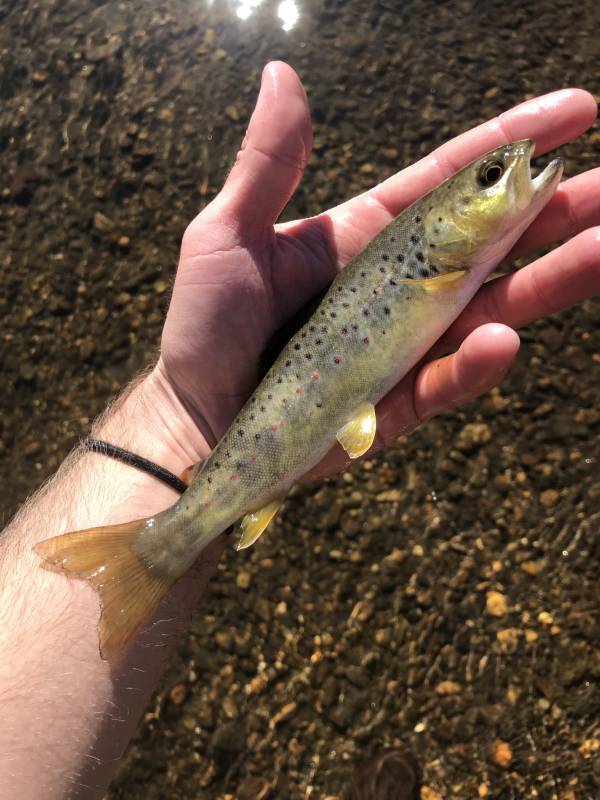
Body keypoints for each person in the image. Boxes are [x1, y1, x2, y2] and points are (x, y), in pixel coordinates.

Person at [0, 61, 598, 799]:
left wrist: (178, 416)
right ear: (439, 228)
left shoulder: (449, 259)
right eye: (486, 182)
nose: (507, 177)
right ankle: (161, 546)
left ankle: (169, 539)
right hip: (286, 420)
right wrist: (183, 414)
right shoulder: (440, 263)